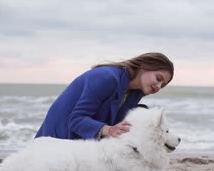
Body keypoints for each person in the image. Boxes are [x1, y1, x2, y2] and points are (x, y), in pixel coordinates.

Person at [35, 52, 174, 140]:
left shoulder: (135, 93)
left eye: (163, 85)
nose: (158, 86)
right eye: (158, 78)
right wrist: (108, 129)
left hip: (82, 145)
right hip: (55, 141)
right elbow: (76, 120)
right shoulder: (107, 77)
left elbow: (116, 124)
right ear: (144, 66)